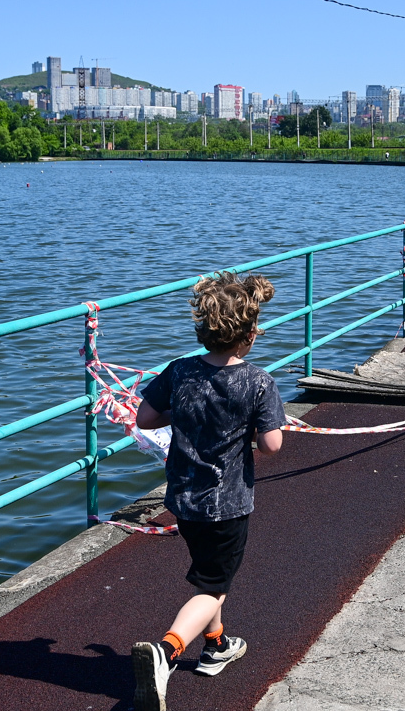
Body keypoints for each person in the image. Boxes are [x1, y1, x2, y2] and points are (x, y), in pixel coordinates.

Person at [131, 272, 285, 710]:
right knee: (213, 586)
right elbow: (271, 445)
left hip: (183, 498)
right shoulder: (258, 382)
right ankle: (166, 652)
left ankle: (216, 646)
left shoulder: (180, 371)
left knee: (208, 573)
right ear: (251, 334)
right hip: (229, 501)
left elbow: (145, 418)